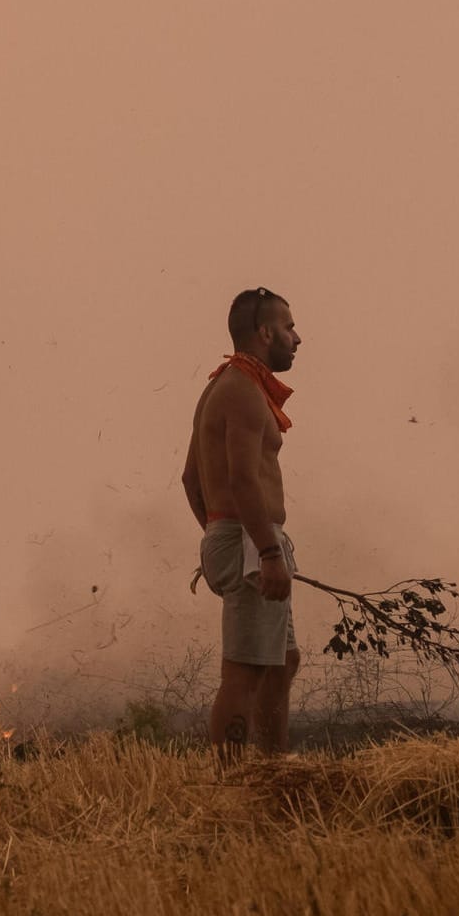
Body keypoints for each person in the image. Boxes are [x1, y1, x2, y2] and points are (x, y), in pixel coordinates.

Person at [182, 287, 304, 764]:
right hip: (253, 542)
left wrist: (216, 534)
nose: (297, 337)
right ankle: (231, 783)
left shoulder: (221, 387)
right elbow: (242, 479)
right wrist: (263, 552)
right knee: (246, 671)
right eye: (289, 327)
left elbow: (191, 479)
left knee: (282, 661)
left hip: (241, 538)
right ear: (264, 332)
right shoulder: (241, 392)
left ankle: (273, 770)